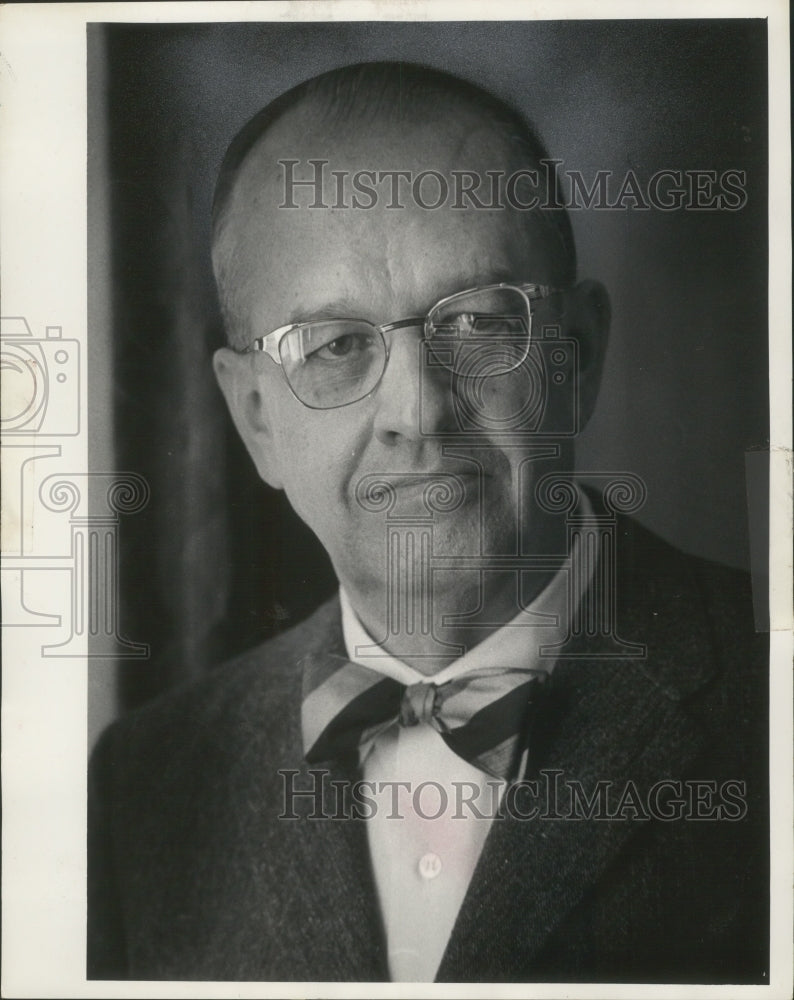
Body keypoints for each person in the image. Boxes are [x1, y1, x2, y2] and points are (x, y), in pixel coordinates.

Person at [88, 62, 768, 984]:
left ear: (578, 354)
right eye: (335, 346)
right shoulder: (144, 785)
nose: (420, 410)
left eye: (481, 323)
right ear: (256, 420)